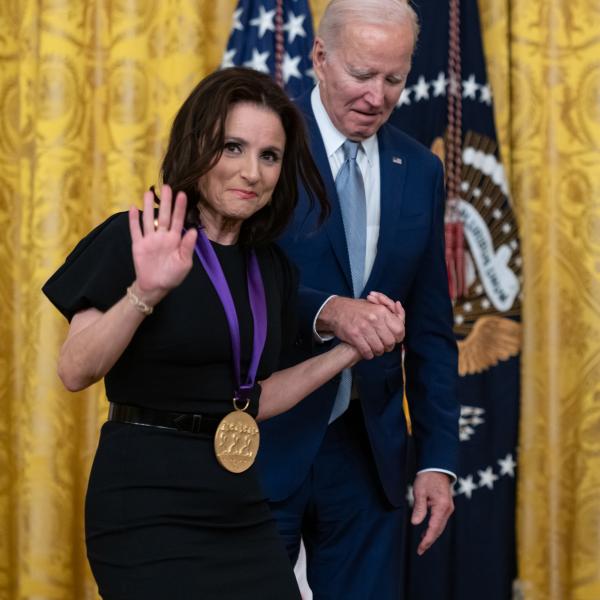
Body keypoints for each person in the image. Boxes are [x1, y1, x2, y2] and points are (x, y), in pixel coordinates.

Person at [42, 67, 391, 600]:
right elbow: (74, 370)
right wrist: (145, 292)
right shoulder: (138, 236)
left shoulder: (270, 268)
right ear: (197, 147)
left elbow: (255, 398)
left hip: (237, 505)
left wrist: (349, 351)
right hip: (145, 506)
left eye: (268, 156)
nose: (251, 172)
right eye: (233, 147)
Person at [257, 1, 460, 598]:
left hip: (369, 456)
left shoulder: (420, 168)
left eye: (393, 79)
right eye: (361, 74)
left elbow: (429, 328)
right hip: (262, 440)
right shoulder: (262, 150)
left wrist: (435, 461)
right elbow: (228, 281)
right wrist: (328, 311)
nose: (377, 96)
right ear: (319, 58)